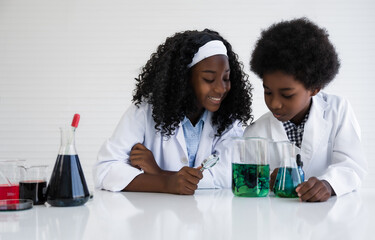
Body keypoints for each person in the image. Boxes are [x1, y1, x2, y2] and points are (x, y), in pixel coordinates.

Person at [94, 29, 253, 195]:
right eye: (209, 79)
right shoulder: (145, 111)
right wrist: (166, 183)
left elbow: (228, 176)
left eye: (226, 78)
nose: (221, 88)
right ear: (184, 78)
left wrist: (159, 174)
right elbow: (106, 170)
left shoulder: (227, 119)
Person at [244, 18, 367, 202]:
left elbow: (352, 166)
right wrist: (268, 179)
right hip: (278, 224)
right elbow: (248, 181)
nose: (275, 103)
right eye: (268, 91)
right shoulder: (255, 132)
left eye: (287, 95)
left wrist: (328, 184)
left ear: (314, 88)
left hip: (328, 220)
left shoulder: (338, 110)